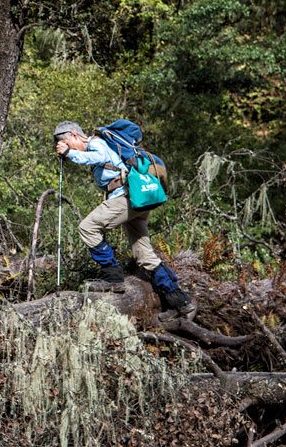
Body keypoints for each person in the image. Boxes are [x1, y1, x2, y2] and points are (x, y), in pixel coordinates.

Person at [54, 121, 196, 322]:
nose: (64, 145)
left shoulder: (96, 142)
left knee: (87, 227)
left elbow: (99, 157)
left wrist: (70, 153)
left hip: (126, 197)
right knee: (144, 255)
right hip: (135, 201)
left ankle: (112, 279)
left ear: (74, 136)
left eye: (65, 141)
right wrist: (70, 153)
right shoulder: (98, 145)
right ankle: (179, 301)